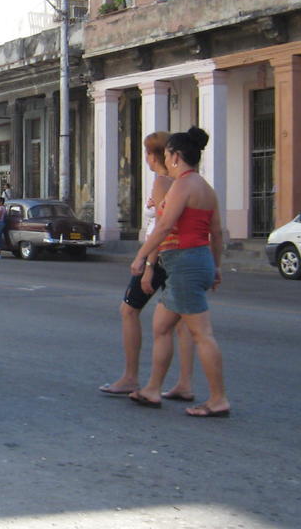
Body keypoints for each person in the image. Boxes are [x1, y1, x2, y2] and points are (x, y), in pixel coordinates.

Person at [128, 127, 230, 417]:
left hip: (185, 263)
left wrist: (141, 256)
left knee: (202, 333)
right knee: (161, 326)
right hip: (193, 262)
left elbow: (163, 227)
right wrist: (216, 266)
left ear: (174, 156)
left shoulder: (183, 185)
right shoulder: (205, 188)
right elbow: (217, 233)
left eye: (168, 154)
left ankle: (218, 399)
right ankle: (152, 389)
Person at [99, 132, 194, 399]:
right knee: (184, 320)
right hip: (177, 253)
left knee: (129, 310)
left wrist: (148, 262)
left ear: (154, 155)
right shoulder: (181, 182)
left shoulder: (161, 182)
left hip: (160, 254)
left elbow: (162, 226)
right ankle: (184, 382)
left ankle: (131, 376)